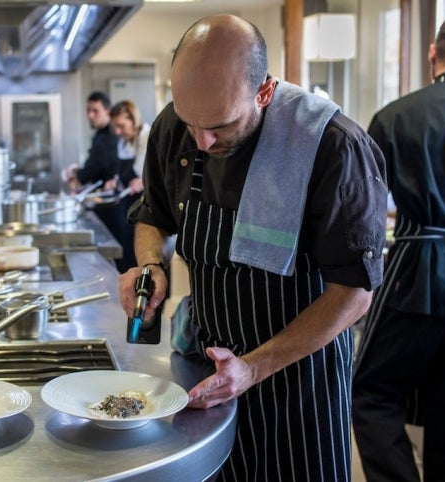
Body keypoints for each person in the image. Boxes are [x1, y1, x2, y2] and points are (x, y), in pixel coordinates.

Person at [117, 15, 387, 481]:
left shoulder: (333, 147)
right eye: (189, 123)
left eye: (219, 126)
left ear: (264, 92)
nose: (201, 141)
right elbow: (151, 216)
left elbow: (355, 293)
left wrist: (254, 368)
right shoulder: (174, 127)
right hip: (206, 372)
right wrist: (150, 265)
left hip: (300, 385)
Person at [352, 12, 445, 482]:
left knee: (371, 391)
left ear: (433, 53)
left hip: (416, 269)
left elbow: (365, 213)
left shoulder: (396, 116)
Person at [62, 91, 126, 269]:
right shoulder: (100, 135)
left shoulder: (109, 137)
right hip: (105, 204)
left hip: (112, 207)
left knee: (118, 260)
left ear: (107, 111)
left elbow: (98, 166)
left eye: (95, 111)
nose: (90, 115)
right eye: (88, 111)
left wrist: (79, 175)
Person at [104, 100, 151, 272]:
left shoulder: (148, 137)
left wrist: (144, 181)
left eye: (121, 126)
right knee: (128, 250)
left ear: (133, 119)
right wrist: (116, 181)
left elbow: (158, 172)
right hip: (128, 203)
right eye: (115, 127)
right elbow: (123, 171)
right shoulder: (124, 142)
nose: (117, 131)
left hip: (145, 204)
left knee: (141, 253)